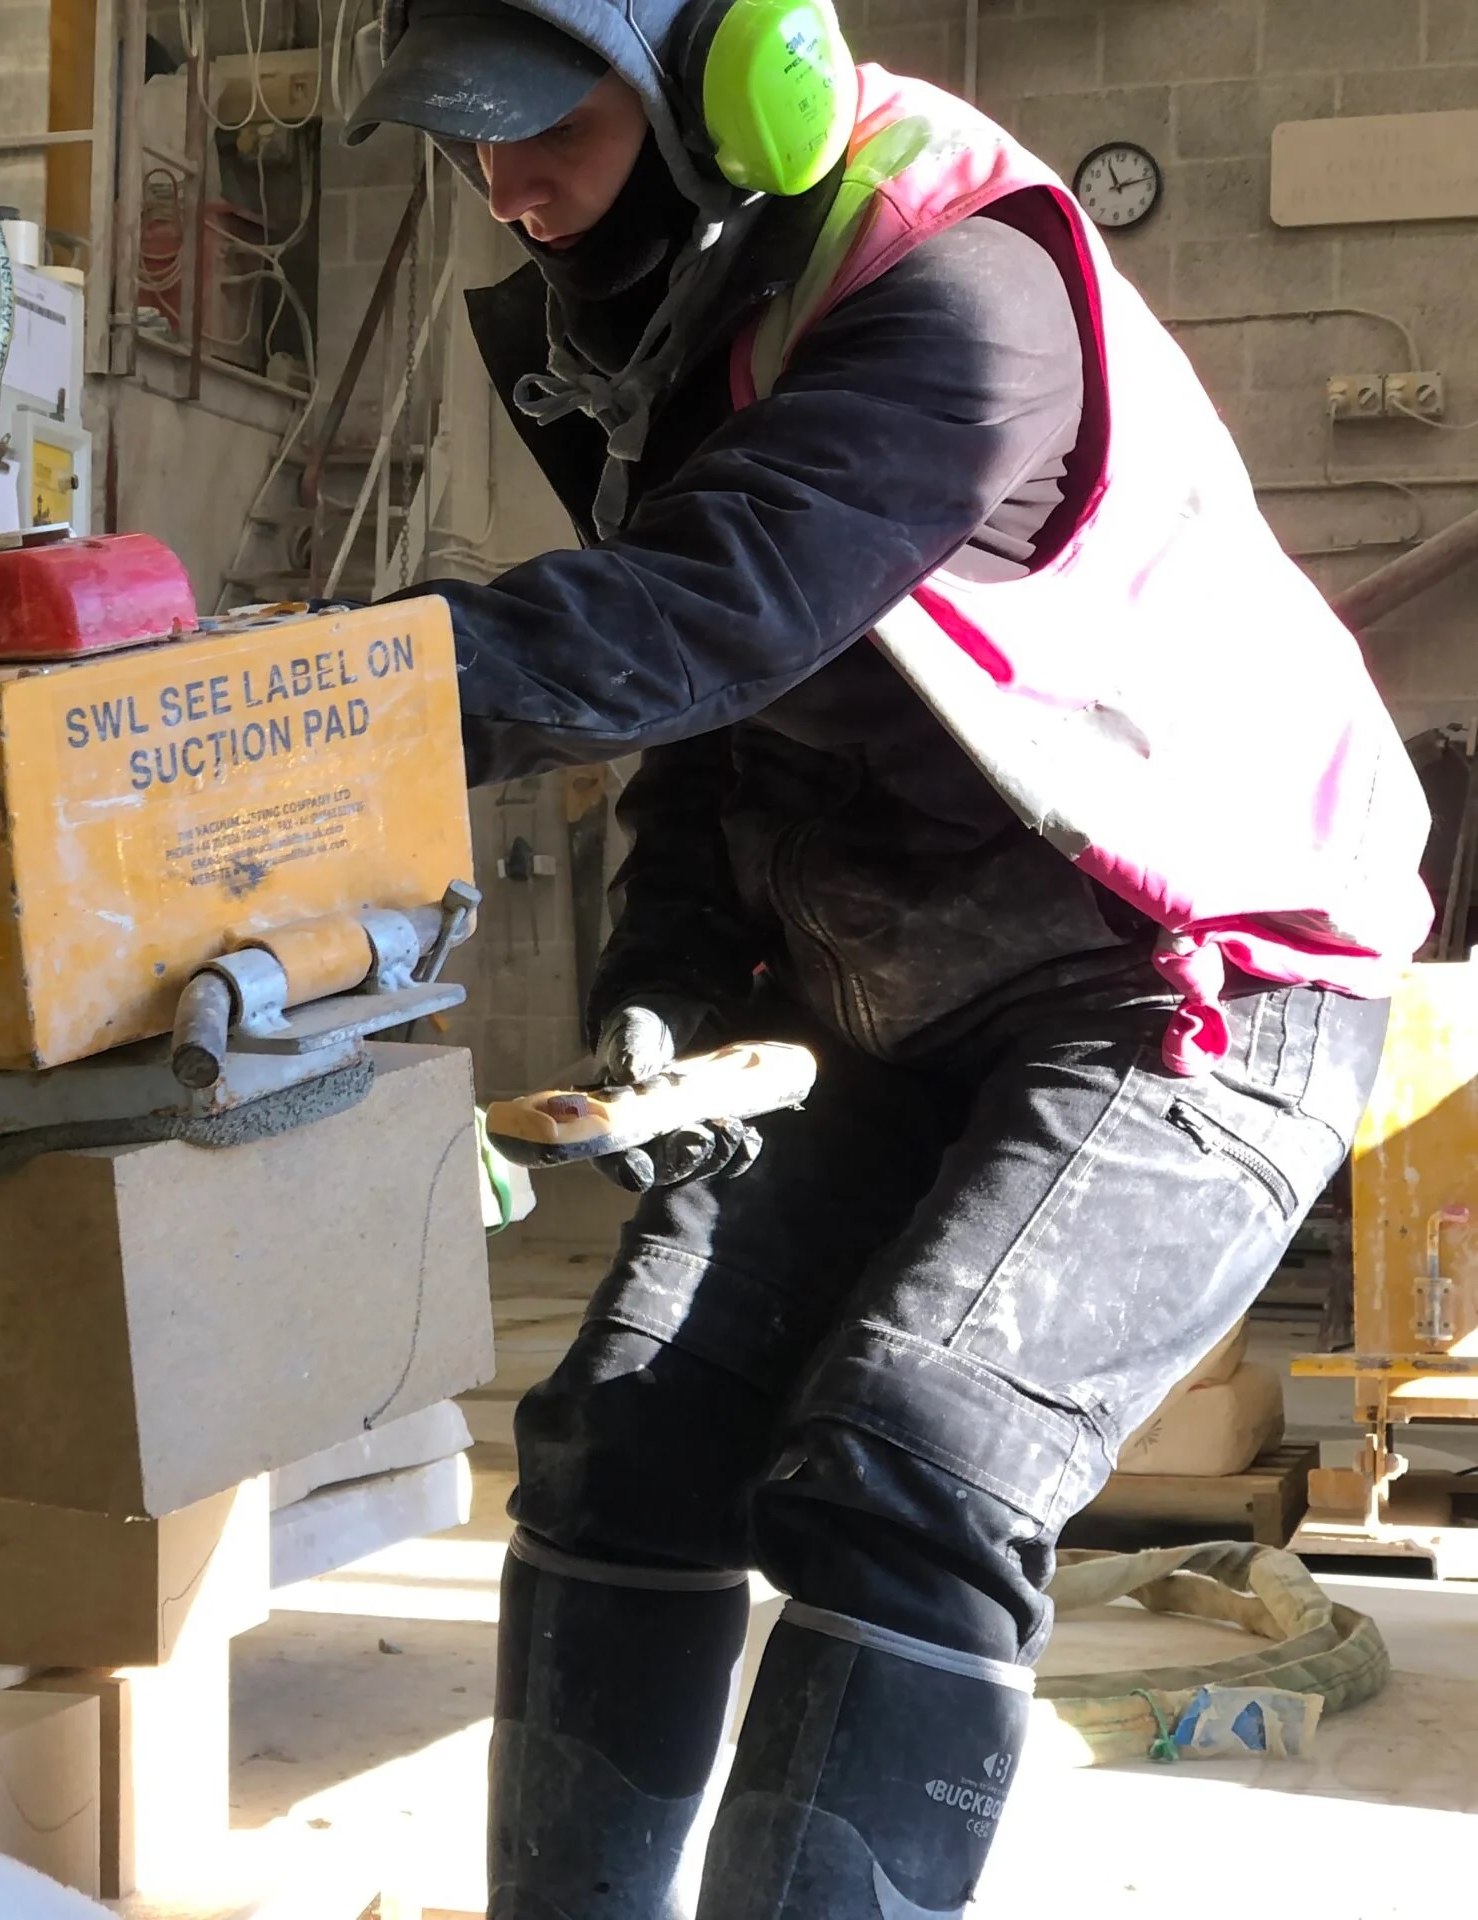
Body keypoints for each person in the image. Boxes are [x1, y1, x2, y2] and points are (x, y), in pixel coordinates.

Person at [346, 0, 1433, 1914]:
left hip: (1191, 965)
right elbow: (726, 733)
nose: (506, 188)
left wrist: (283, 705)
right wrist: (673, 968)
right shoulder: (669, 317)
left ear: (719, 82)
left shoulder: (961, 290)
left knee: (913, 1465)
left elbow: (706, 616)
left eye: (547, 128)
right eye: (470, 144)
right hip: (897, 980)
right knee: (626, 1435)